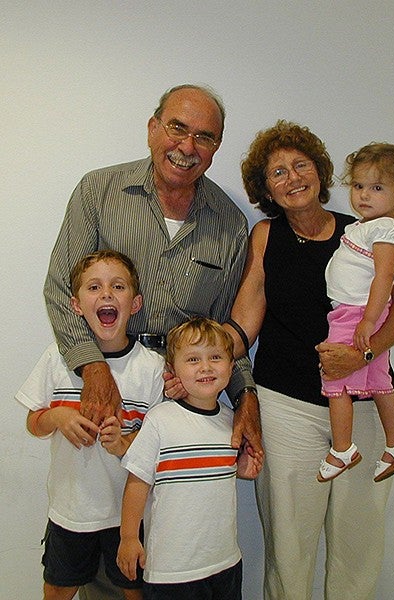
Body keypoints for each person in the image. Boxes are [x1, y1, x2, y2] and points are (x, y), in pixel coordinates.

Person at [43, 84, 262, 599]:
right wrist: (93, 370)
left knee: (153, 544)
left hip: (183, 401)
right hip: (108, 384)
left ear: (217, 146)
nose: (187, 146)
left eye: (205, 136)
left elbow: (226, 331)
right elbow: (60, 289)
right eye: (177, 127)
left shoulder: (230, 224)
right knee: (94, 525)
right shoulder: (98, 191)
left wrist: (246, 395)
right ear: (153, 127)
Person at [223, 121, 394, 600]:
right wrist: (200, 361)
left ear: (320, 171)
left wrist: (363, 353)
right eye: (277, 172)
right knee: (290, 548)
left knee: (358, 545)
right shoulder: (265, 236)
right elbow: (246, 317)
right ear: (264, 187)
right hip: (286, 407)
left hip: (366, 405)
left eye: (300, 165)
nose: (292, 177)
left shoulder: (367, 232)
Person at [16, 250, 165, 600]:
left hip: (127, 518)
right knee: (56, 589)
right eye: (94, 287)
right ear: (76, 305)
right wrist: (58, 417)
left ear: (136, 302)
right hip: (71, 513)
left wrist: (124, 442)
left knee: (134, 591)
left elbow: (158, 443)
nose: (107, 295)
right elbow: (33, 424)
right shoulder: (57, 358)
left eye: (118, 286)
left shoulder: (152, 368)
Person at [117, 317, 262, 600]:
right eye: (193, 359)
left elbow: (219, 469)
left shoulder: (231, 422)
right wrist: (129, 537)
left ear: (231, 367)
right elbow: (137, 482)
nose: (206, 367)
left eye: (216, 358)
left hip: (225, 563)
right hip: (172, 572)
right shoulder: (160, 420)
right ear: (172, 370)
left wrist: (242, 468)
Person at [318, 143, 394, 483]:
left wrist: (368, 321)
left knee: (334, 375)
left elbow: (385, 277)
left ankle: (343, 448)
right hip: (356, 311)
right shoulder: (366, 226)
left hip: (354, 313)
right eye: (359, 186)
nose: (364, 195)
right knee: (380, 384)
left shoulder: (386, 230)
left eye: (377, 188)